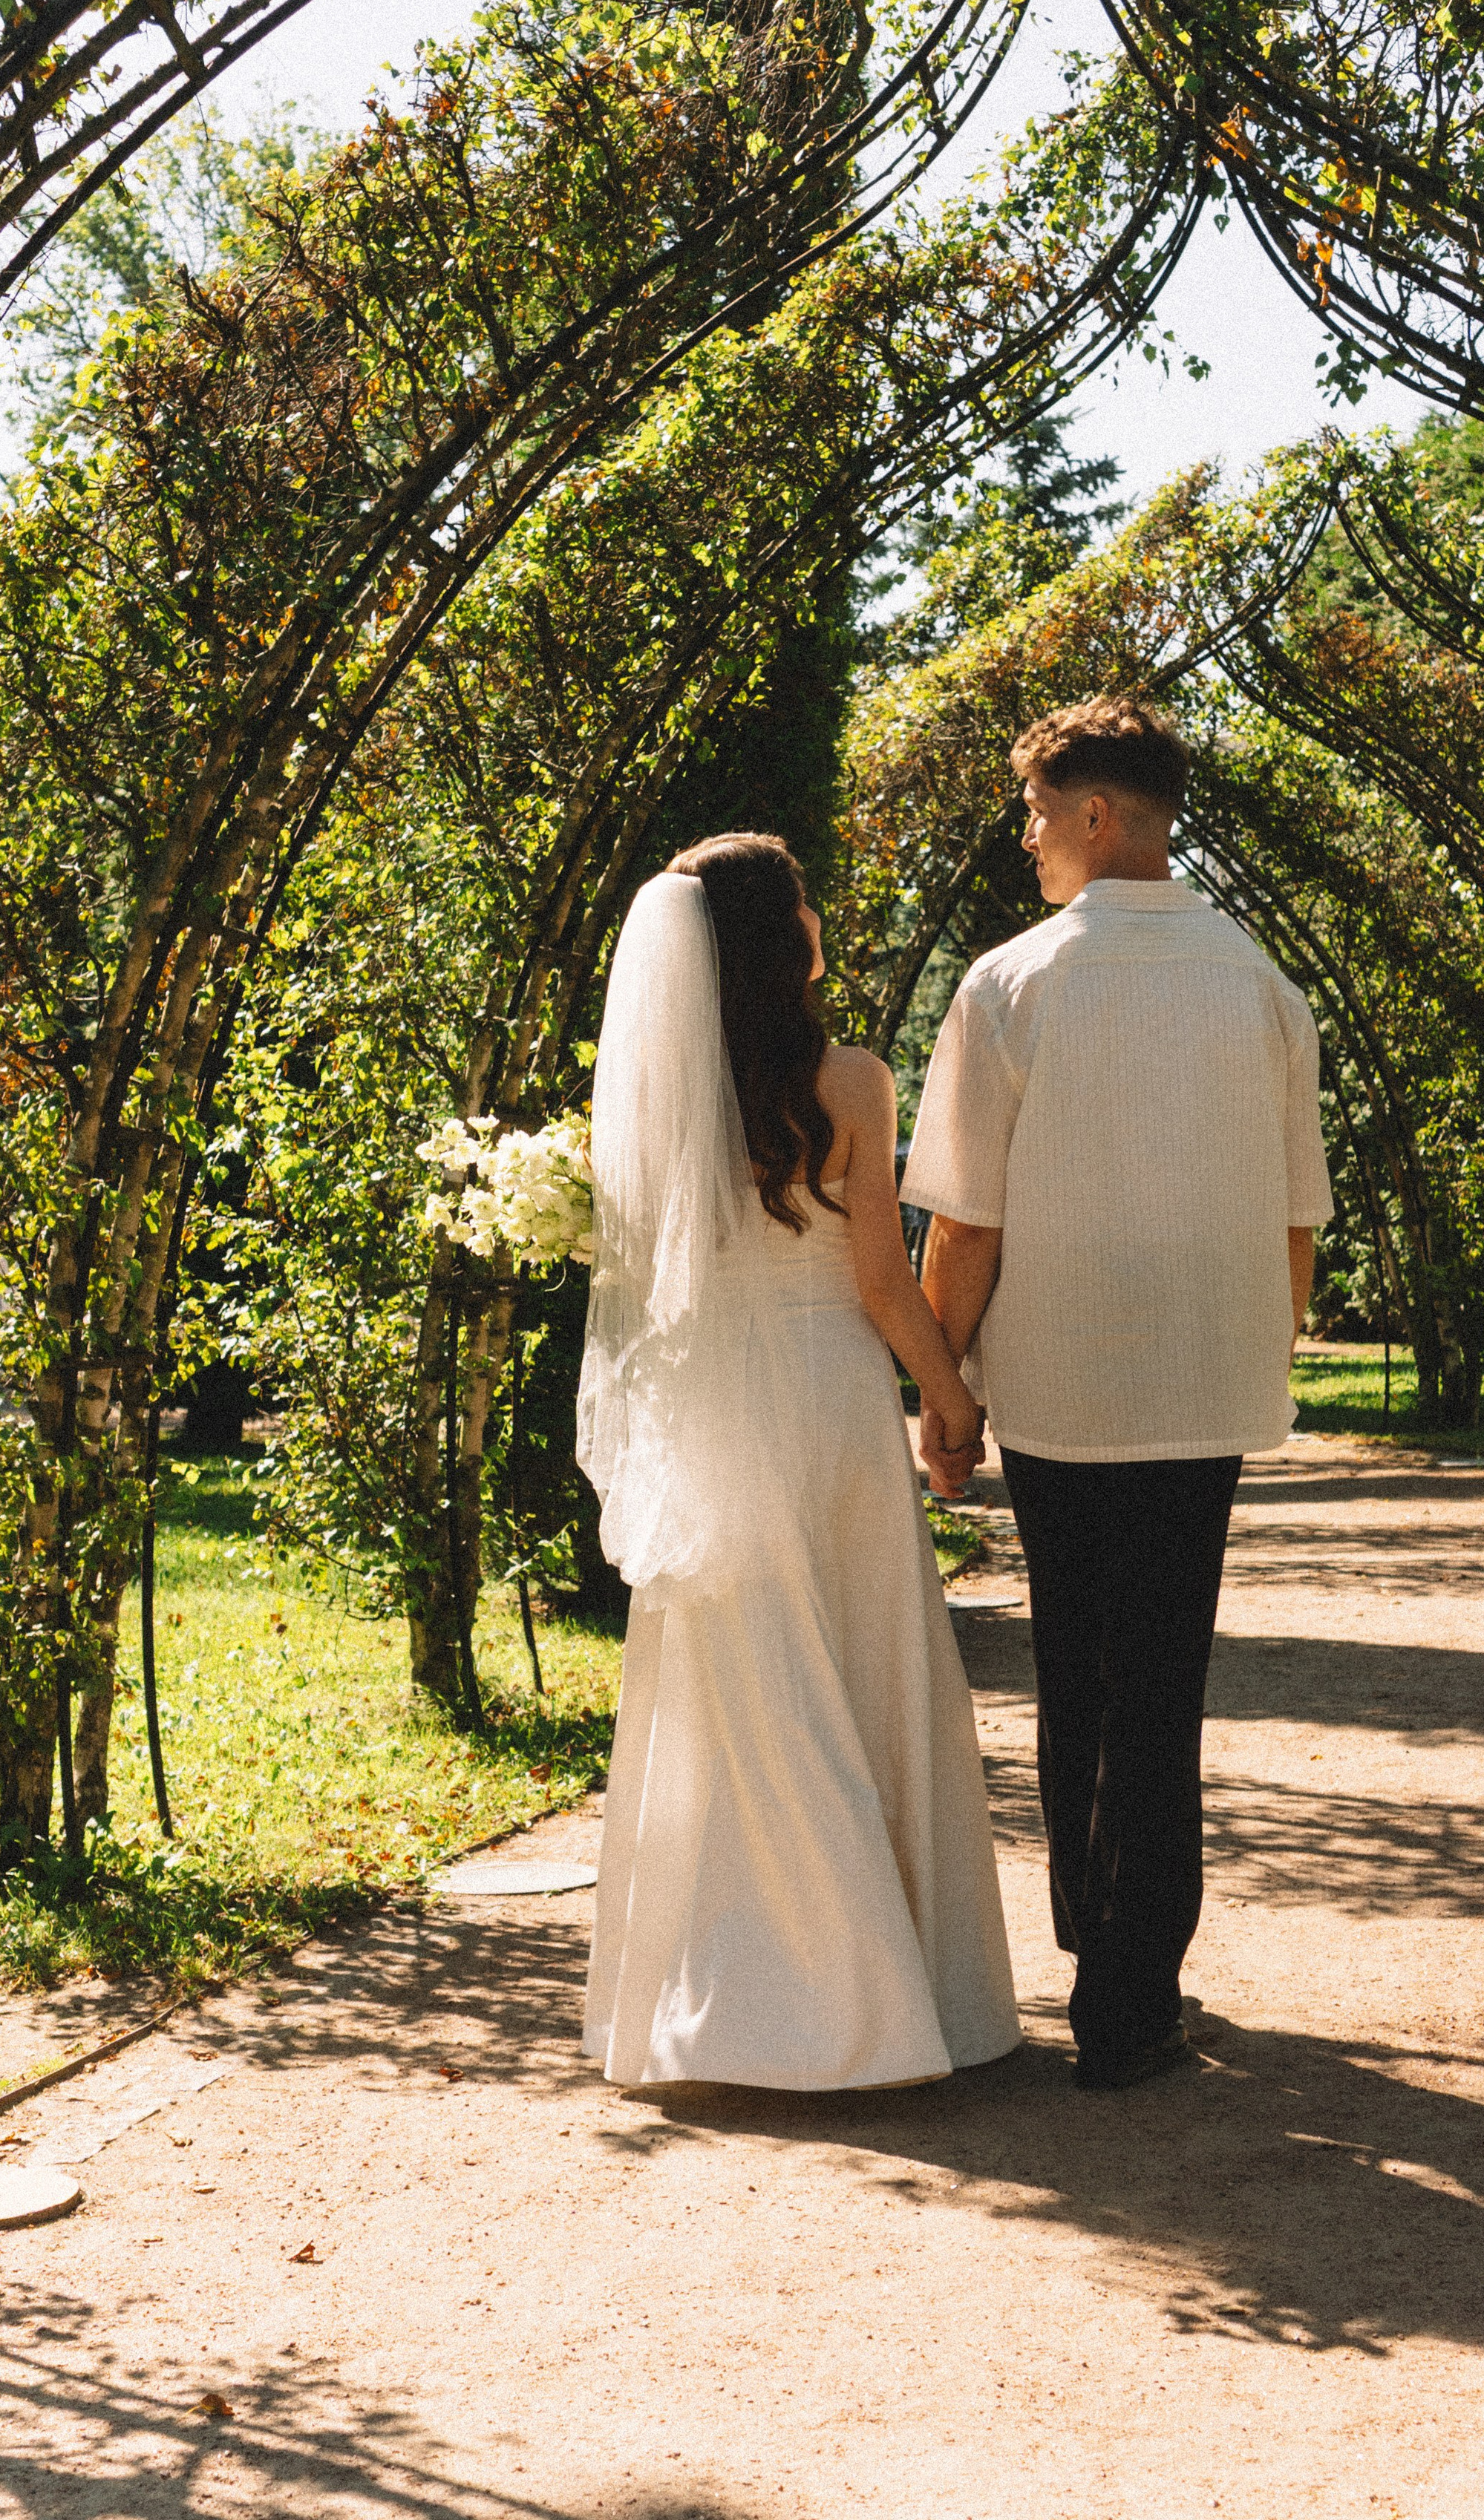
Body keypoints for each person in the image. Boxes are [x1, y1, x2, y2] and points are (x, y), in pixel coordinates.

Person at [900, 697, 1332, 2092]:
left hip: (1064, 1385)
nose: (1025, 840)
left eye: (1036, 813)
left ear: (1097, 817)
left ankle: (1107, 1965)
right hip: (1203, 1386)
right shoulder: (1266, 986)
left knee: (1079, 1671)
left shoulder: (1010, 984)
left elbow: (962, 1221)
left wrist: (944, 1391)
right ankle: (1129, 1986)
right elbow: (1296, 1223)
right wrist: (1259, 1354)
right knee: (1162, 1682)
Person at [575, 834, 1019, 2089]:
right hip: (827, 1404)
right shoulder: (851, 1083)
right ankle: (876, 2003)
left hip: (718, 1411)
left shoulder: (666, 1094)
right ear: (790, 938)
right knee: (859, 1669)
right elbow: (880, 1277)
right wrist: (951, 1404)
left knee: (744, 1692)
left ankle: (740, 2005)